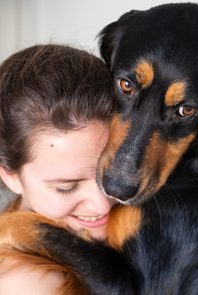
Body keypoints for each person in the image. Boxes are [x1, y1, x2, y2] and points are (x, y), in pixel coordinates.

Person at [0, 44, 116, 294]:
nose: (102, 204)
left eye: (112, 176)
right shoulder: (33, 284)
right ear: (10, 175)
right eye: (66, 187)